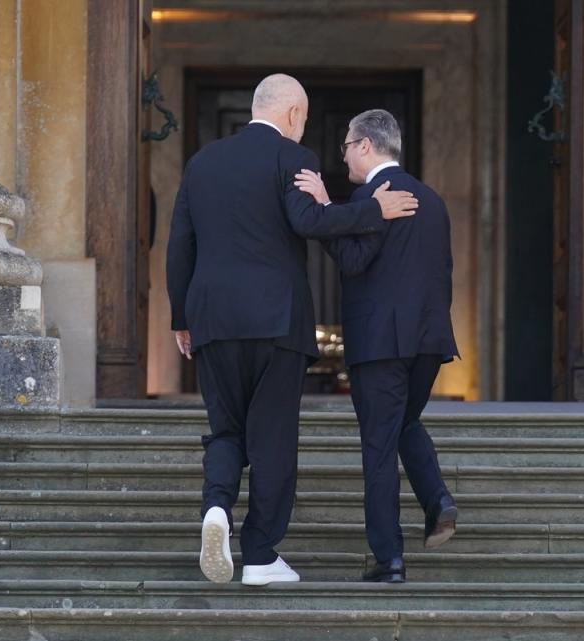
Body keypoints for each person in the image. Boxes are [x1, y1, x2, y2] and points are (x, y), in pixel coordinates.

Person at [166, 76, 419, 586]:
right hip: (277, 323)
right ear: (293, 113)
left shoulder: (202, 163)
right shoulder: (293, 157)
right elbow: (309, 221)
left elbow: (179, 247)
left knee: (225, 429)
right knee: (273, 439)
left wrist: (181, 318)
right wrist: (373, 209)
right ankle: (259, 555)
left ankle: (216, 511)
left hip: (213, 319)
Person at [295, 109, 459, 583]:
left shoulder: (373, 197)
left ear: (366, 145)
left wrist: (327, 209)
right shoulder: (433, 200)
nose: (341, 154)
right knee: (405, 422)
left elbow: (351, 260)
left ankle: (389, 559)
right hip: (429, 341)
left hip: (379, 344)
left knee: (379, 447)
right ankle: (437, 500)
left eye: (346, 145)